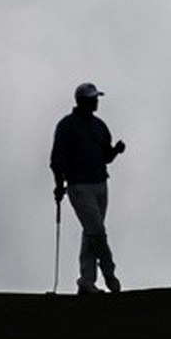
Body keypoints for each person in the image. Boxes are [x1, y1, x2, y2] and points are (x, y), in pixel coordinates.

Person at [50, 81, 126, 294]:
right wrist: (59, 185)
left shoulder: (99, 125)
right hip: (78, 186)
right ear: (83, 101)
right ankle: (111, 276)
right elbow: (57, 159)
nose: (96, 102)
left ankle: (86, 281)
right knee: (97, 232)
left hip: (101, 183)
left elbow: (106, 156)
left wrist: (116, 151)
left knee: (90, 234)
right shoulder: (66, 125)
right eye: (93, 99)